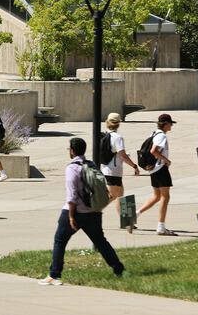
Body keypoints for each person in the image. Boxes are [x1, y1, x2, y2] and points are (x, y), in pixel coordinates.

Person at [38, 137, 125, 286]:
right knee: (101, 242)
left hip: (75, 211)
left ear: (72, 151)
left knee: (60, 240)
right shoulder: (91, 165)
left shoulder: (72, 168)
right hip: (93, 211)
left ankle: (54, 275)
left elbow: (71, 196)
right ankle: (120, 270)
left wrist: (71, 216)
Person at [136, 113, 176, 236]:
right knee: (165, 197)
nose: (171, 126)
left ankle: (136, 214)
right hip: (160, 168)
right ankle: (161, 227)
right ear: (165, 125)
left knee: (156, 196)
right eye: (170, 124)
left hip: (154, 170)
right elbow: (154, 151)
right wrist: (166, 160)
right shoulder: (162, 136)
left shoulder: (154, 133)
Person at [100, 112, 140, 217]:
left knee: (120, 196)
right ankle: (89, 214)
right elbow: (123, 155)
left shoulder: (105, 135)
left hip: (108, 169)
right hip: (113, 171)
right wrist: (134, 166)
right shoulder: (117, 137)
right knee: (111, 197)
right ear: (118, 124)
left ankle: (126, 220)